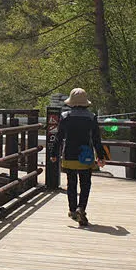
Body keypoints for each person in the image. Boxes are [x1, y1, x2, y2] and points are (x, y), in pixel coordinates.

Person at [54, 87, 104, 227]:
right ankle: (81, 208)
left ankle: (72, 209)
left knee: (71, 183)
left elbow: (59, 137)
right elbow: (96, 139)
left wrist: (53, 154)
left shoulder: (65, 116)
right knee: (85, 183)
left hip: (69, 154)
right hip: (85, 155)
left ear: (71, 102)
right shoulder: (91, 117)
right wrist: (100, 156)